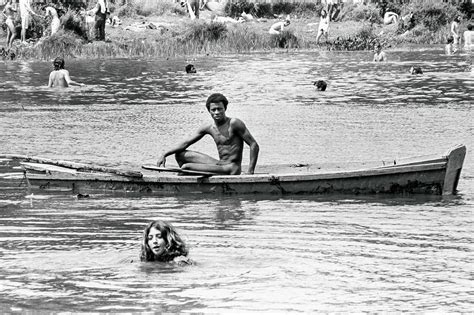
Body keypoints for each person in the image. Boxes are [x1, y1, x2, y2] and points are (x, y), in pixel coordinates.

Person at [157, 93, 260, 175]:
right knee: (180, 155)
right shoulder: (209, 127)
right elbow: (186, 143)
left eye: (219, 109)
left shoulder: (234, 123)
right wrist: (164, 154)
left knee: (186, 167)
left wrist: (250, 172)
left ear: (225, 109)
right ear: (209, 111)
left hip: (231, 167)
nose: (217, 112)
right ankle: (198, 177)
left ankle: (186, 180)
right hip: (220, 164)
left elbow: (254, 145)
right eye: (213, 110)